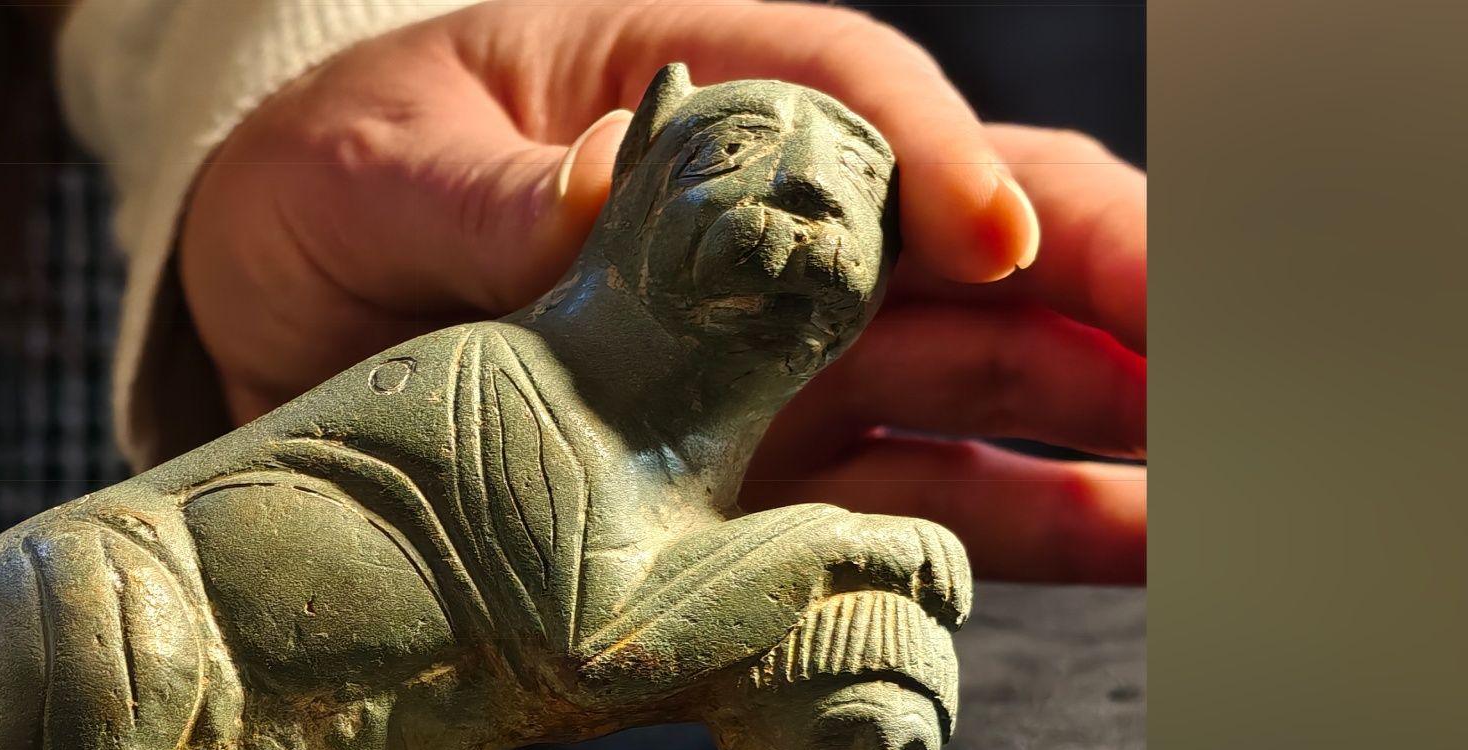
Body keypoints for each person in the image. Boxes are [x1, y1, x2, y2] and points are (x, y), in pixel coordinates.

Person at [55, 0, 1146, 583]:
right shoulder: (480, 366)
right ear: (632, 166)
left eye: (862, 173)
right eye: (744, 142)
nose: (813, 185)